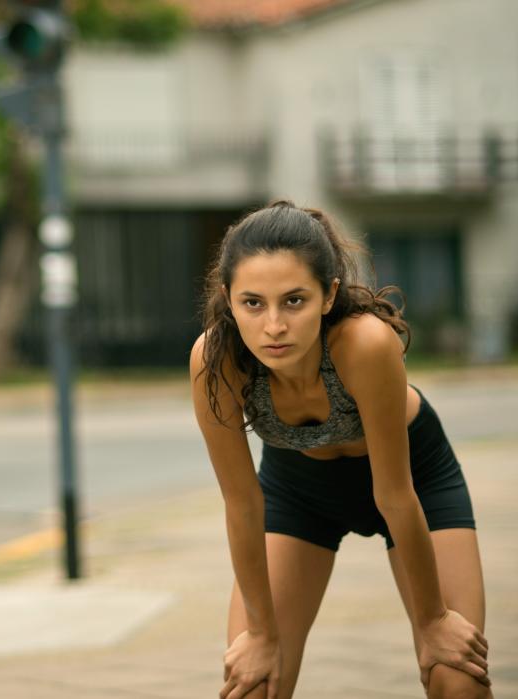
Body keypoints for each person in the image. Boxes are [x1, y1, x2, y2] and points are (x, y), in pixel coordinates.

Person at [188, 201, 491, 699]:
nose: (274, 326)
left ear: (328, 295)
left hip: (413, 481)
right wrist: (262, 635)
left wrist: (434, 619)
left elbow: (395, 496)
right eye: (253, 303)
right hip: (298, 490)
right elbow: (242, 505)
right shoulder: (216, 360)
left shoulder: (366, 344)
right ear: (228, 297)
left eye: (294, 300)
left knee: (457, 679)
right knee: (255, 684)